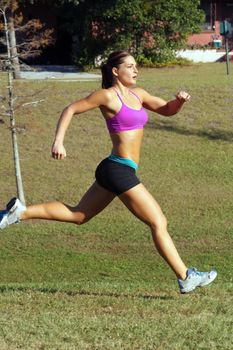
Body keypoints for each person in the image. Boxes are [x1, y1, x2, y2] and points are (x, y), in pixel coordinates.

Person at [0, 50, 217, 293]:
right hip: (118, 169)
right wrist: (58, 141)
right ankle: (186, 276)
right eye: (130, 66)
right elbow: (70, 109)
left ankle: (20, 212)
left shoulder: (139, 94)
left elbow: (167, 109)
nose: (136, 70)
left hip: (115, 168)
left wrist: (179, 101)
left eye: (136, 66)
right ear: (116, 71)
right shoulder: (106, 96)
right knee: (158, 221)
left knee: (79, 215)